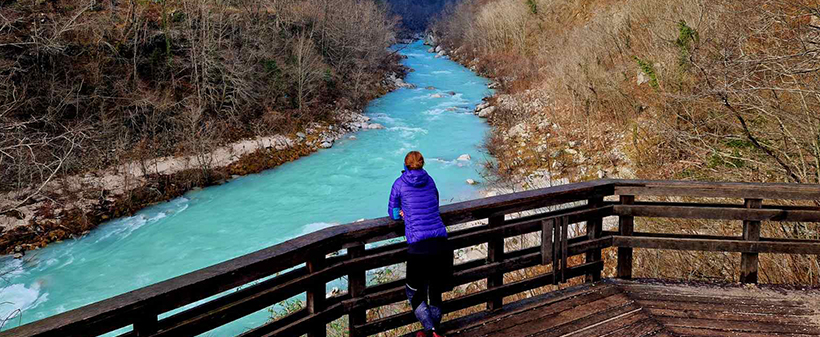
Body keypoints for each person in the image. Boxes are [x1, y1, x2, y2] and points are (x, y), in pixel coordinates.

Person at [388, 151, 451, 337]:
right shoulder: (430, 180)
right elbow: (435, 203)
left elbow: (392, 212)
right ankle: (434, 332)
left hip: (419, 247)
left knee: (413, 292)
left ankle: (431, 331)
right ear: (422, 164)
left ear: (405, 165)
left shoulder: (399, 184)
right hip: (441, 243)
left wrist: (401, 213)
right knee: (436, 291)